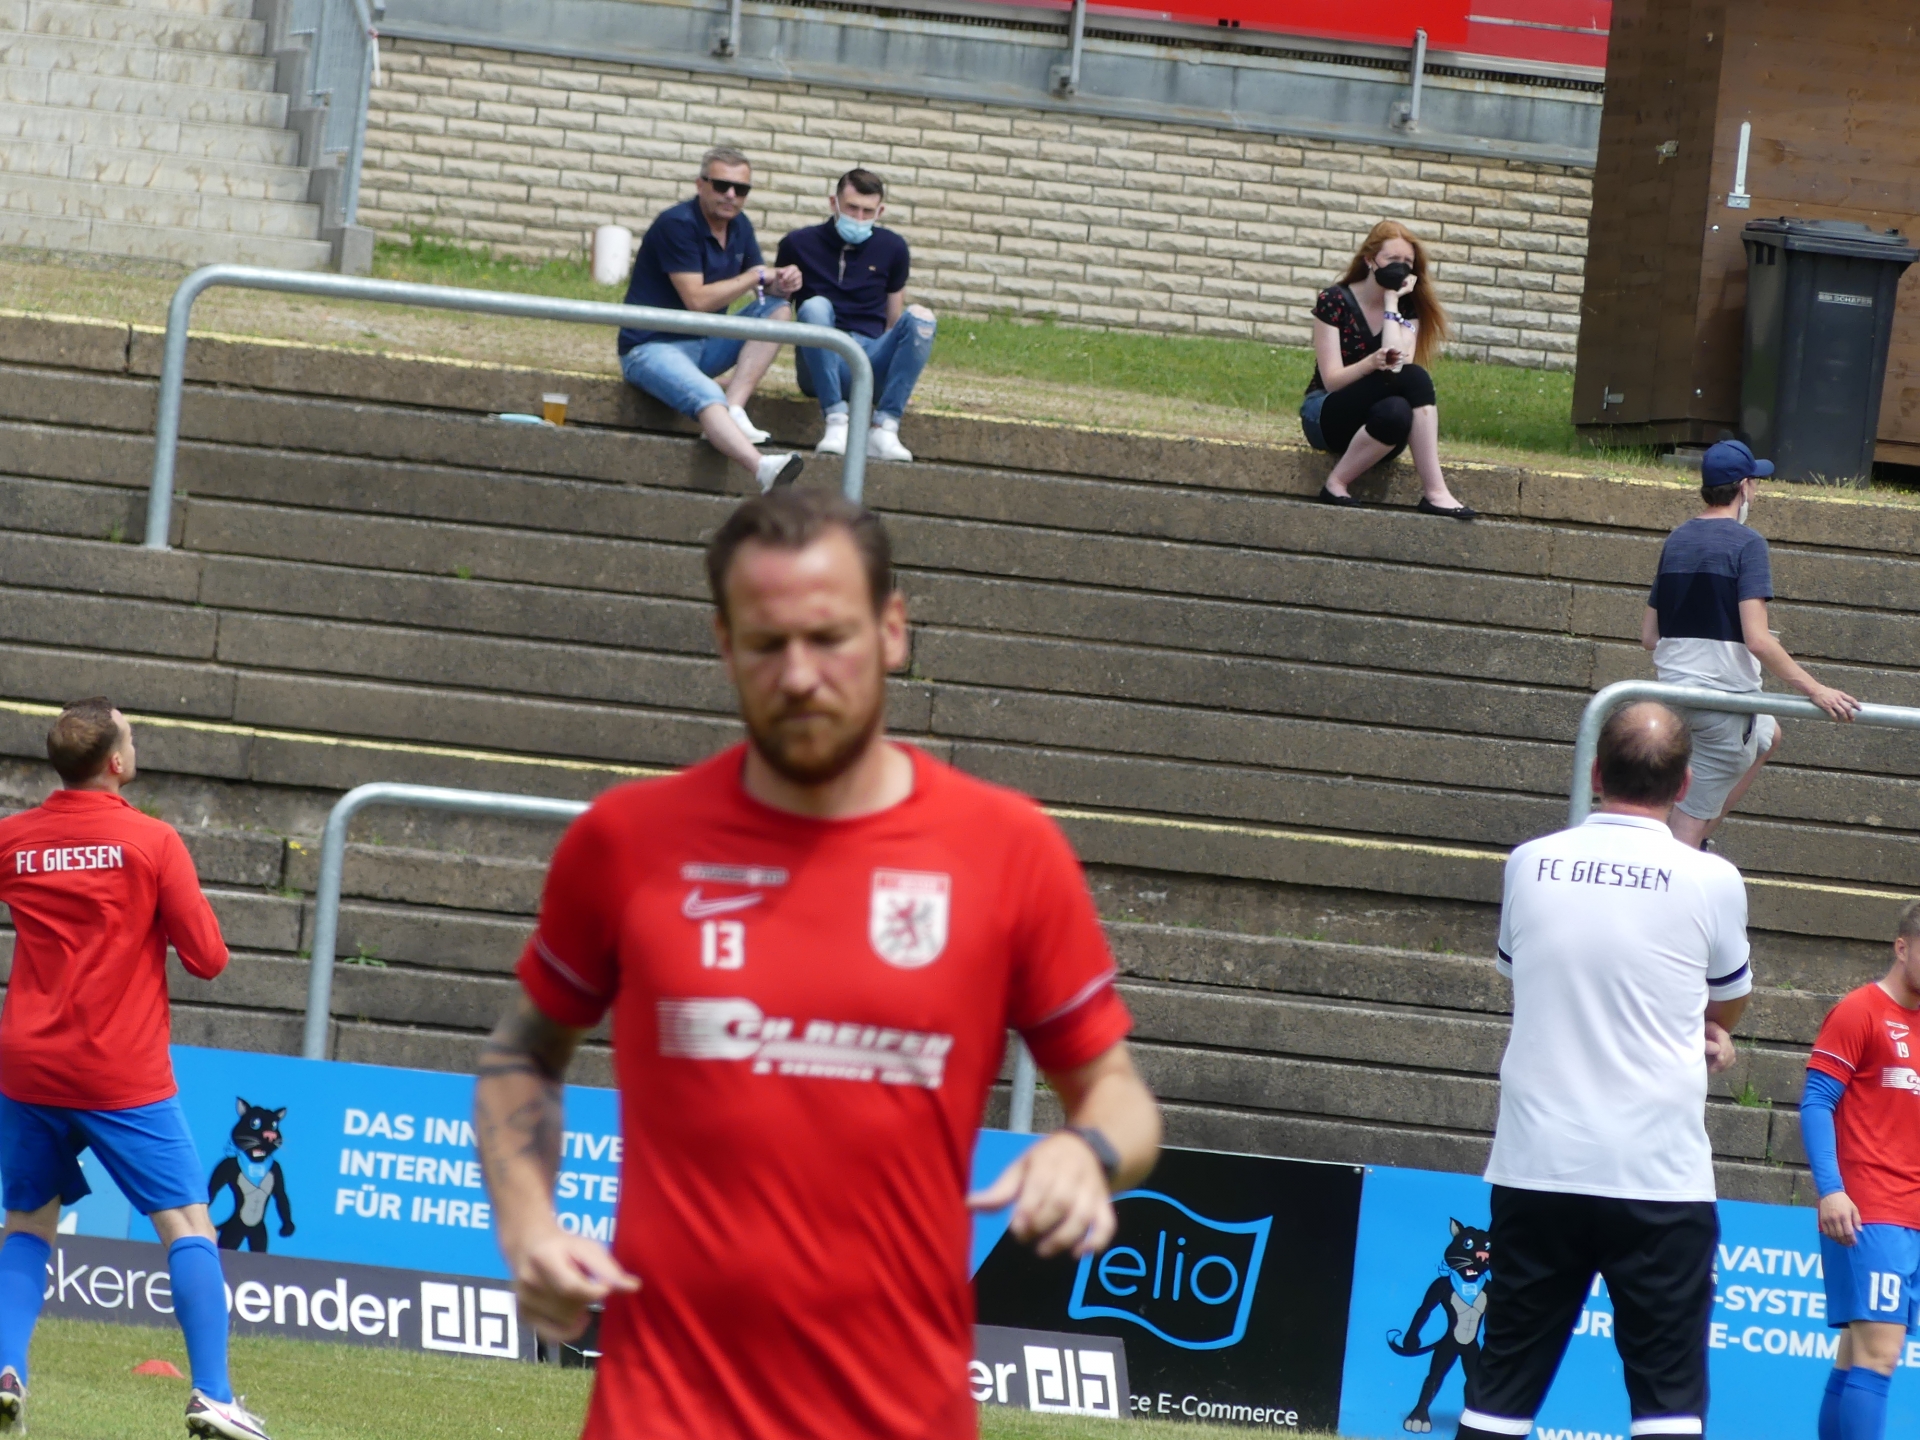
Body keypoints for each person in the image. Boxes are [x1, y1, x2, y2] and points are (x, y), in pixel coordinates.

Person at [473, 488, 1162, 1440]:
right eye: (767, 644)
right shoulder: (627, 842)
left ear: (891, 631)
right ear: (724, 644)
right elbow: (522, 1055)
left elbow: (1121, 1098)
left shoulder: (1008, 850)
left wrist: (1088, 1153)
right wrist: (527, 1227)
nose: (799, 675)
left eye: (829, 637)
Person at [1459, 701, 1752, 1440]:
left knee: (1497, 1398)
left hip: (1538, 1165)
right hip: (1656, 1175)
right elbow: (1729, 996)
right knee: (1668, 1409)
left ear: (1594, 774)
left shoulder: (1530, 863)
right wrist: (1707, 1031)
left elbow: (1520, 972)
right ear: (1683, 784)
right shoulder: (1712, 878)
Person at [0, 699, 269, 1440]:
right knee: (187, 1224)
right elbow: (208, 958)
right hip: (119, 1068)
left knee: (26, 1221)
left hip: (28, 1066)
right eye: (132, 734)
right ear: (116, 762)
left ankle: (6, 1370)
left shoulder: (13, 839)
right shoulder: (151, 841)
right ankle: (212, 1395)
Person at [1642, 438, 1860, 849]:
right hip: (1721, 706)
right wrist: (1816, 689)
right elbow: (1758, 640)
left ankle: (1696, 842)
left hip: (1671, 699)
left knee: (1767, 734)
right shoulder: (1748, 544)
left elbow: (1650, 637)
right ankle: (1687, 850)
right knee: (1682, 837)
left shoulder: (1677, 539)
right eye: (1756, 484)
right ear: (1744, 487)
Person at [618, 146, 807, 492]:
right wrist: (756, 276)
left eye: (741, 189)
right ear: (700, 184)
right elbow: (698, 301)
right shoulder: (677, 224)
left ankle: (733, 410)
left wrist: (782, 282)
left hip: (705, 342)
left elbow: (761, 290)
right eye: (721, 185)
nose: (731, 195)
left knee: (777, 309)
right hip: (651, 347)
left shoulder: (739, 226)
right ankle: (762, 468)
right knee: (706, 392)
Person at [1801, 902, 1920, 1440]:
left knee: (1855, 1355)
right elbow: (1816, 1102)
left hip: (1910, 1213)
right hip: (1870, 1211)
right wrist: (1831, 1189)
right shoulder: (1860, 1010)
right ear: (1902, 947)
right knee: (1880, 1355)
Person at [1303, 220, 1474, 518]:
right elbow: (1332, 381)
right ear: (1370, 260)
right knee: (1416, 377)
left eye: (1407, 262)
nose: (1400, 267)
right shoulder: (1334, 301)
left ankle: (1336, 483)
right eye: (1392, 259)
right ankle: (1435, 492)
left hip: (1380, 432)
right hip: (1327, 416)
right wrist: (1370, 363)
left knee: (1397, 411)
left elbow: (1397, 365)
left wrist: (1392, 302)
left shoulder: (1408, 307)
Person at [775, 168, 935, 463]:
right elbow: (776, 308)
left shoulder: (893, 248)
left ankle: (885, 427)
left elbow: (893, 321)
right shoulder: (797, 244)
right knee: (814, 306)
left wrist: (897, 379)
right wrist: (781, 283)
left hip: (868, 358)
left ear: (880, 211)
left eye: (867, 211)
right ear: (833, 203)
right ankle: (836, 420)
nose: (859, 218)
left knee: (921, 317)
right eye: (851, 208)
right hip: (819, 359)